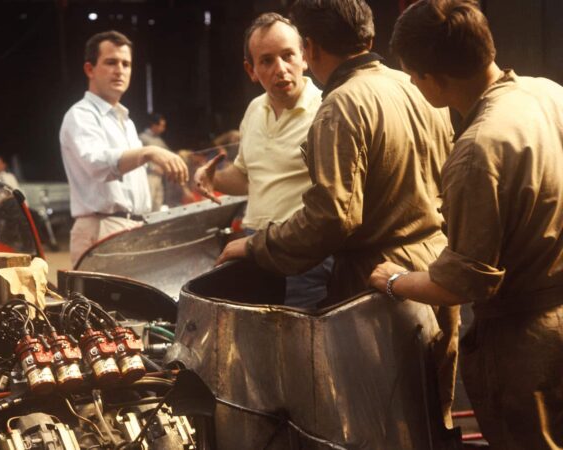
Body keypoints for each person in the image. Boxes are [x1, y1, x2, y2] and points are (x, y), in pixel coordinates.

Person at [215, 0, 459, 427]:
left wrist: (257, 246)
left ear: (308, 48)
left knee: (374, 421)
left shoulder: (340, 104)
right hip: (434, 271)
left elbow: (332, 218)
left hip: (380, 286)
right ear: (368, 36)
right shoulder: (414, 86)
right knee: (430, 416)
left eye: (291, 53)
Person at [370, 1, 563, 446]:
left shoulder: (479, 149)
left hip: (526, 345)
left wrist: (394, 280)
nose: (415, 85)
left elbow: (463, 284)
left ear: (433, 79)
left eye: (414, 76)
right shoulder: (547, 92)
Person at [195, 12, 329, 308]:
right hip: (254, 245)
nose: (280, 68)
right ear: (251, 69)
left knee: (299, 341)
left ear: (304, 56)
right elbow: (247, 177)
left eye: (288, 55)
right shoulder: (254, 109)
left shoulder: (327, 110)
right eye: (267, 60)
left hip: (304, 253)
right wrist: (213, 178)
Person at [60, 30, 188, 265]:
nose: (120, 70)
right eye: (111, 62)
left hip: (133, 226)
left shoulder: (126, 121)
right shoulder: (80, 115)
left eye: (126, 64)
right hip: (102, 226)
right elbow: (97, 165)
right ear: (90, 69)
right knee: (101, 303)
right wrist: (148, 152)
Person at [138, 113, 170, 212]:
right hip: (147, 177)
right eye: (161, 126)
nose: (163, 129)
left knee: (157, 203)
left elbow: (168, 154)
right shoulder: (142, 138)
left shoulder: (159, 141)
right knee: (149, 202)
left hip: (158, 177)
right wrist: (152, 168)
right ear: (154, 125)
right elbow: (137, 158)